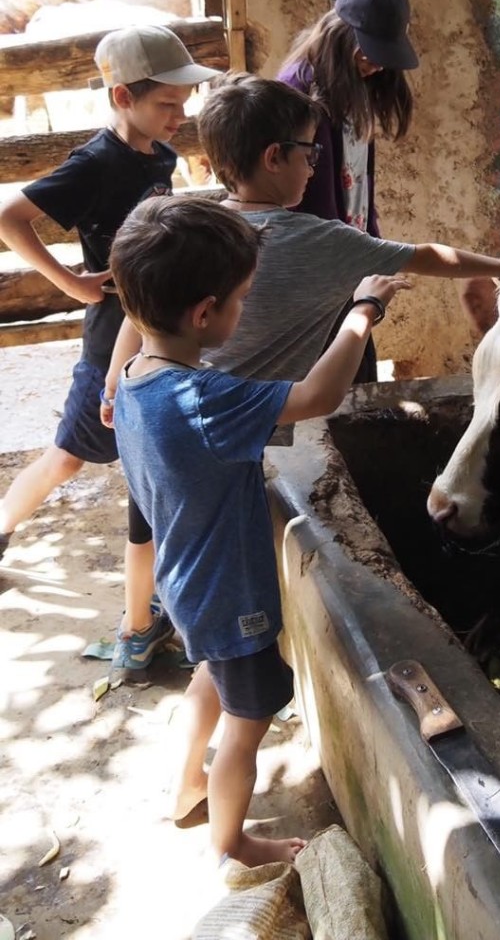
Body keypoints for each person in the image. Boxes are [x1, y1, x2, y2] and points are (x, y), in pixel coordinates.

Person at [102, 72, 500, 683]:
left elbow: (141, 309)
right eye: (310, 153)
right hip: (231, 431)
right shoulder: (318, 239)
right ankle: (229, 670)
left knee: (163, 536)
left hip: (158, 421)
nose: (316, 169)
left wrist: (113, 383)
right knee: (236, 593)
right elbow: (425, 257)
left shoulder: (193, 223)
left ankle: (150, 629)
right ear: (274, 157)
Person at [108, 195, 412, 867]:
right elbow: (315, 397)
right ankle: (231, 841)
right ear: (203, 314)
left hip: (185, 581)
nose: (247, 310)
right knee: (247, 727)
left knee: (208, 676)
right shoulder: (205, 401)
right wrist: (362, 310)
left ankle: (185, 784)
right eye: (242, 299)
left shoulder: (137, 379)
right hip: (230, 592)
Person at [0, 24, 217, 650]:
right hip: (110, 338)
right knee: (68, 455)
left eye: (183, 104)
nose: (180, 117)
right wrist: (68, 281)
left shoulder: (161, 156)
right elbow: (11, 217)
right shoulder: (94, 164)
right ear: (122, 97)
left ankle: (141, 614)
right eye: (166, 104)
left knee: (142, 472)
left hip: (150, 328)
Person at [277, 0, 416, 381]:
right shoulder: (300, 92)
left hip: (347, 262)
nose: (376, 65)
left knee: (358, 372)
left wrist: (371, 245)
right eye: (368, 51)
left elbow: (359, 184)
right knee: (334, 381)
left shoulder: (353, 84)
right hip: (316, 273)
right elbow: (308, 203)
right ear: (339, 34)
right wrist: (357, 257)